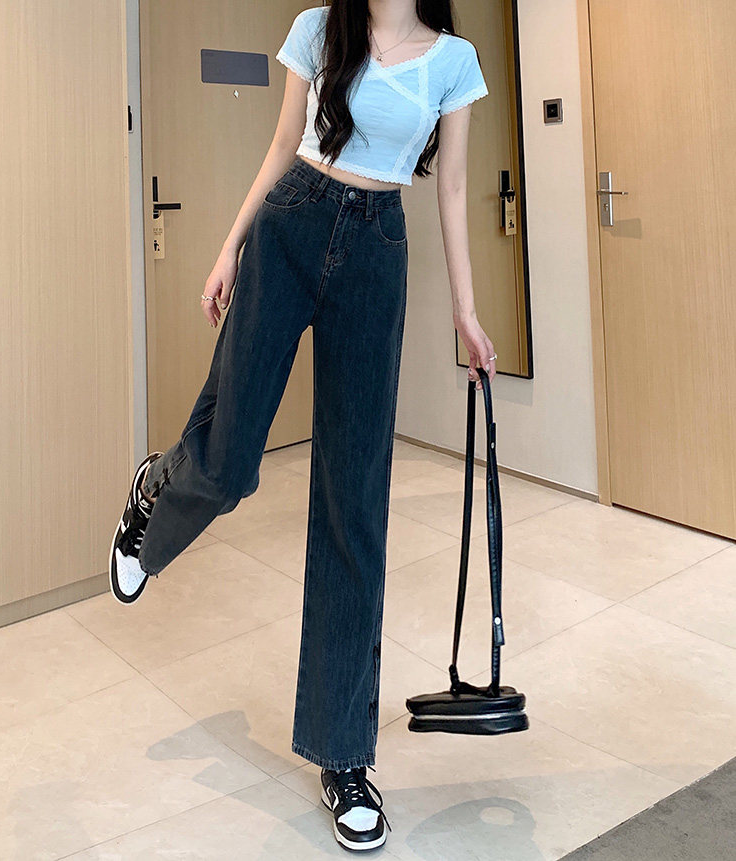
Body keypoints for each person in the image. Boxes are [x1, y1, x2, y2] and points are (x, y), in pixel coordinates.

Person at [109, 0, 495, 851]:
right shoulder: (320, 27)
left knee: (355, 504)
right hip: (290, 226)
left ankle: (343, 755)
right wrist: (229, 246)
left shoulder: (454, 61)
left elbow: (453, 188)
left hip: (377, 251)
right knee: (230, 459)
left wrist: (465, 313)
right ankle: (158, 493)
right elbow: (284, 144)